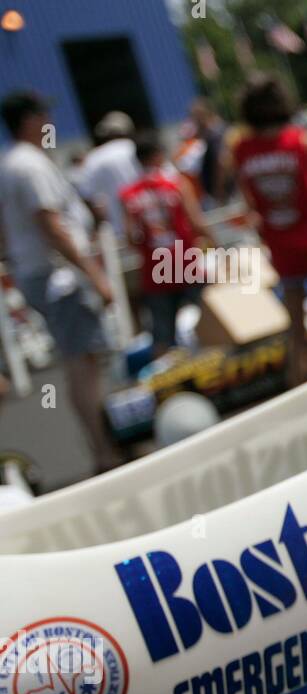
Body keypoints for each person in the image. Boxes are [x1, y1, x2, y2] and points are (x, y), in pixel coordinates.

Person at [0, 91, 121, 475]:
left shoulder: (14, 164)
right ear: (29, 120)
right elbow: (51, 226)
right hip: (59, 279)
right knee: (81, 362)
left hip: (43, 274)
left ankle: (104, 445)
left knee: (81, 360)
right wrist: (94, 273)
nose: (50, 120)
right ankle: (103, 450)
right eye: (44, 113)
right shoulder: (30, 165)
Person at [227, 75, 307, 388]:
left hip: (280, 245)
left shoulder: (241, 149)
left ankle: (299, 391)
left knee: (296, 331)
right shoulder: (301, 140)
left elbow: (248, 200)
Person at [119, 134, 214, 359]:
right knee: (212, 318)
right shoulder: (177, 184)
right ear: (159, 155)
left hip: (155, 269)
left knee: (162, 335)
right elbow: (196, 221)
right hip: (185, 262)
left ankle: (162, 381)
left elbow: (131, 237)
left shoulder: (128, 194)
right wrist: (215, 244)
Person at [78, 111, 140, 239]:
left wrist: (99, 222)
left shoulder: (93, 157)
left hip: (118, 231)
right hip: (152, 227)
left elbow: (85, 194)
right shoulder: (138, 149)